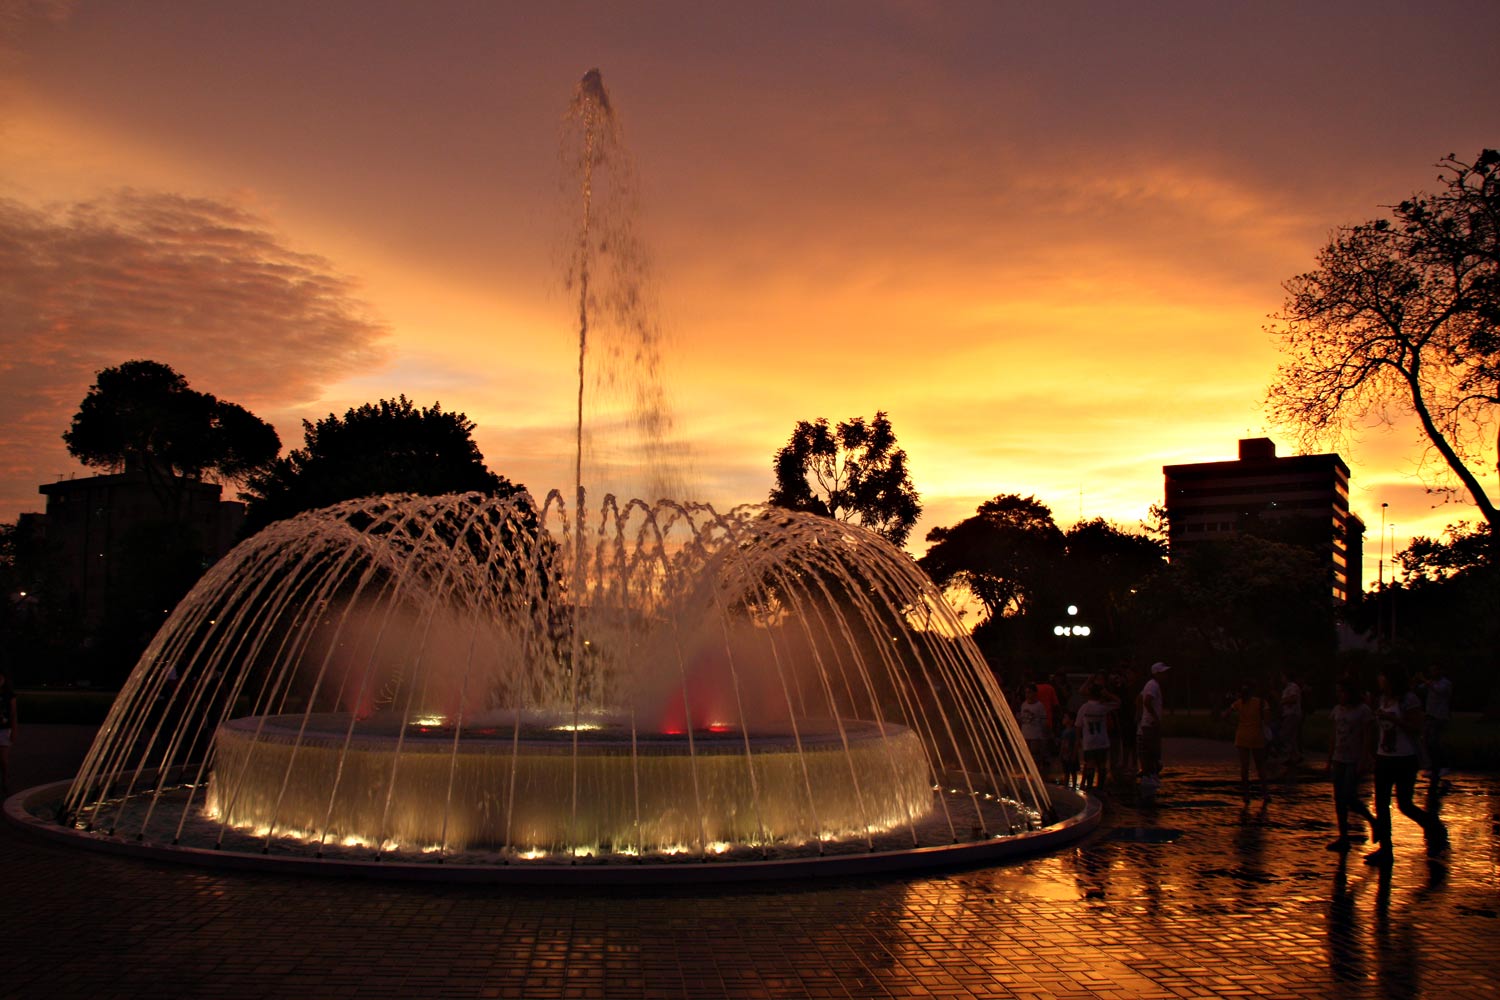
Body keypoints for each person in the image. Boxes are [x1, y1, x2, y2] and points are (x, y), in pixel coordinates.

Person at [1366, 667, 1447, 866]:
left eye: (1382, 677)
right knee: (1381, 804)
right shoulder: (1383, 699)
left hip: (1404, 757)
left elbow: (1416, 727)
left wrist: (1393, 719)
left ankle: (1433, 826)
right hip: (1384, 756)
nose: (1380, 680)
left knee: (1405, 804)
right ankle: (1386, 849)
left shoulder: (1408, 700)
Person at [1327, 679, 1376, 851]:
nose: (1339, 695)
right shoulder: (1337, 710)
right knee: (1339, 799)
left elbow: (1367, 736)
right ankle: (1343, 836)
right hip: (1339, 757)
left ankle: (1371, 820)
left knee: (1349, 796)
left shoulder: (1363, 711)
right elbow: (1333, 734)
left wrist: (1364, 758)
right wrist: (1329, 758)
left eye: (1342, 692)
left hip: (1353, 758)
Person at [1227, 682, 1271, 806]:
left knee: (1245, 767)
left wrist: (1233, 724)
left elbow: (1225, 714)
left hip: (1242, 737)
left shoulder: (1238, 703)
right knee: (1260, 766)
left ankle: (1246, 794)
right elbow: (1267, 717)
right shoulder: (1260, 702)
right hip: (1257, 736)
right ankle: (1265, 793)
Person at [1075, 683, 1119, 793]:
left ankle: (1089, 787)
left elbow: (1078, 725)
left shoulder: (1084, 707)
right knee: (1101, 766)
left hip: (1089, 742)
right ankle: (1100, 787)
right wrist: (1108, 694)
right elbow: (1118, 702)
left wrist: (1078, 740)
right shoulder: (1103, 707)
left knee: (1090, 765)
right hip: (1102, 741)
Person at [1419, 664, 1453, 789]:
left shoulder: (1445, 683)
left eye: (1434, 671)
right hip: (1430, 715)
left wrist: (1425, 681)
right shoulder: (1431, 682)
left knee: (1435, 742)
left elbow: (1439, 690)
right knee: (1426, 741)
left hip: (1440, 716)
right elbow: (1421, 688)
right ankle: (1432, 767)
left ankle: (1443, 766)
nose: (1432, 673)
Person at [1137, 662, 1169, 781]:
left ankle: (1149, 776)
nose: (1166, 675)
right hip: (1150, 725)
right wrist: (1155, 718)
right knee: (1153, 753)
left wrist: (1140, 716)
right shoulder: (1153, 686)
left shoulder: (1150, 685)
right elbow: (1146, 701)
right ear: (1156, 674)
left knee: (1150, 753)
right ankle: (1150, 778)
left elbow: (1139, 699)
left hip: (1147, 723)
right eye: (1163, 673)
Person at [1018, 683, 1051, 774]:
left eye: (1029, 692)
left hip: (1035, 734)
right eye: (1026, 692)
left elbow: (1043, 721)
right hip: (1025, 733)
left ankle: (1035, 772)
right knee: (1025, 755)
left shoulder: (1039, 706)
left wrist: (1044, 734)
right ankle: (1026, 772)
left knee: (1035, 755)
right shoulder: (1024, 704)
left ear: (1035, 693)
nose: (1028, 695)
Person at [1279, 670, 1304, 766]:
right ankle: (1293, 756)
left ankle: (1294, 755)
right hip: (1288, 714)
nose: (1281, 679)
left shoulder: (1293, 687)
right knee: (1291, 736)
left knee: (1286, 734)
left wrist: (1283, 701)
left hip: (1292, 714)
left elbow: (1294, 698)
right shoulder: (1287, 688)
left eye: (1282, 677)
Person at [0, 669, 16, 797]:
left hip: (5, 729)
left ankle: (4, 781)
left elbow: (13, 713)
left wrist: (14, 730)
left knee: (4, 760)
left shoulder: (9, 695)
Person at [1057, 713, 1080, 789]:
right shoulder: (1064, 732)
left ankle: (1073, 786)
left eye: (1065, 717)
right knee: (1066, 771)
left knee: (1072, 771)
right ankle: (1066, 785)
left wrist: (1074, 753)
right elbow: (1063, 744)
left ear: (1071, 721)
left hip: (1070, 753)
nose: (1063, 719)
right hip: (1065, 754)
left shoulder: (1073, 731)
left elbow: (1076, 743)